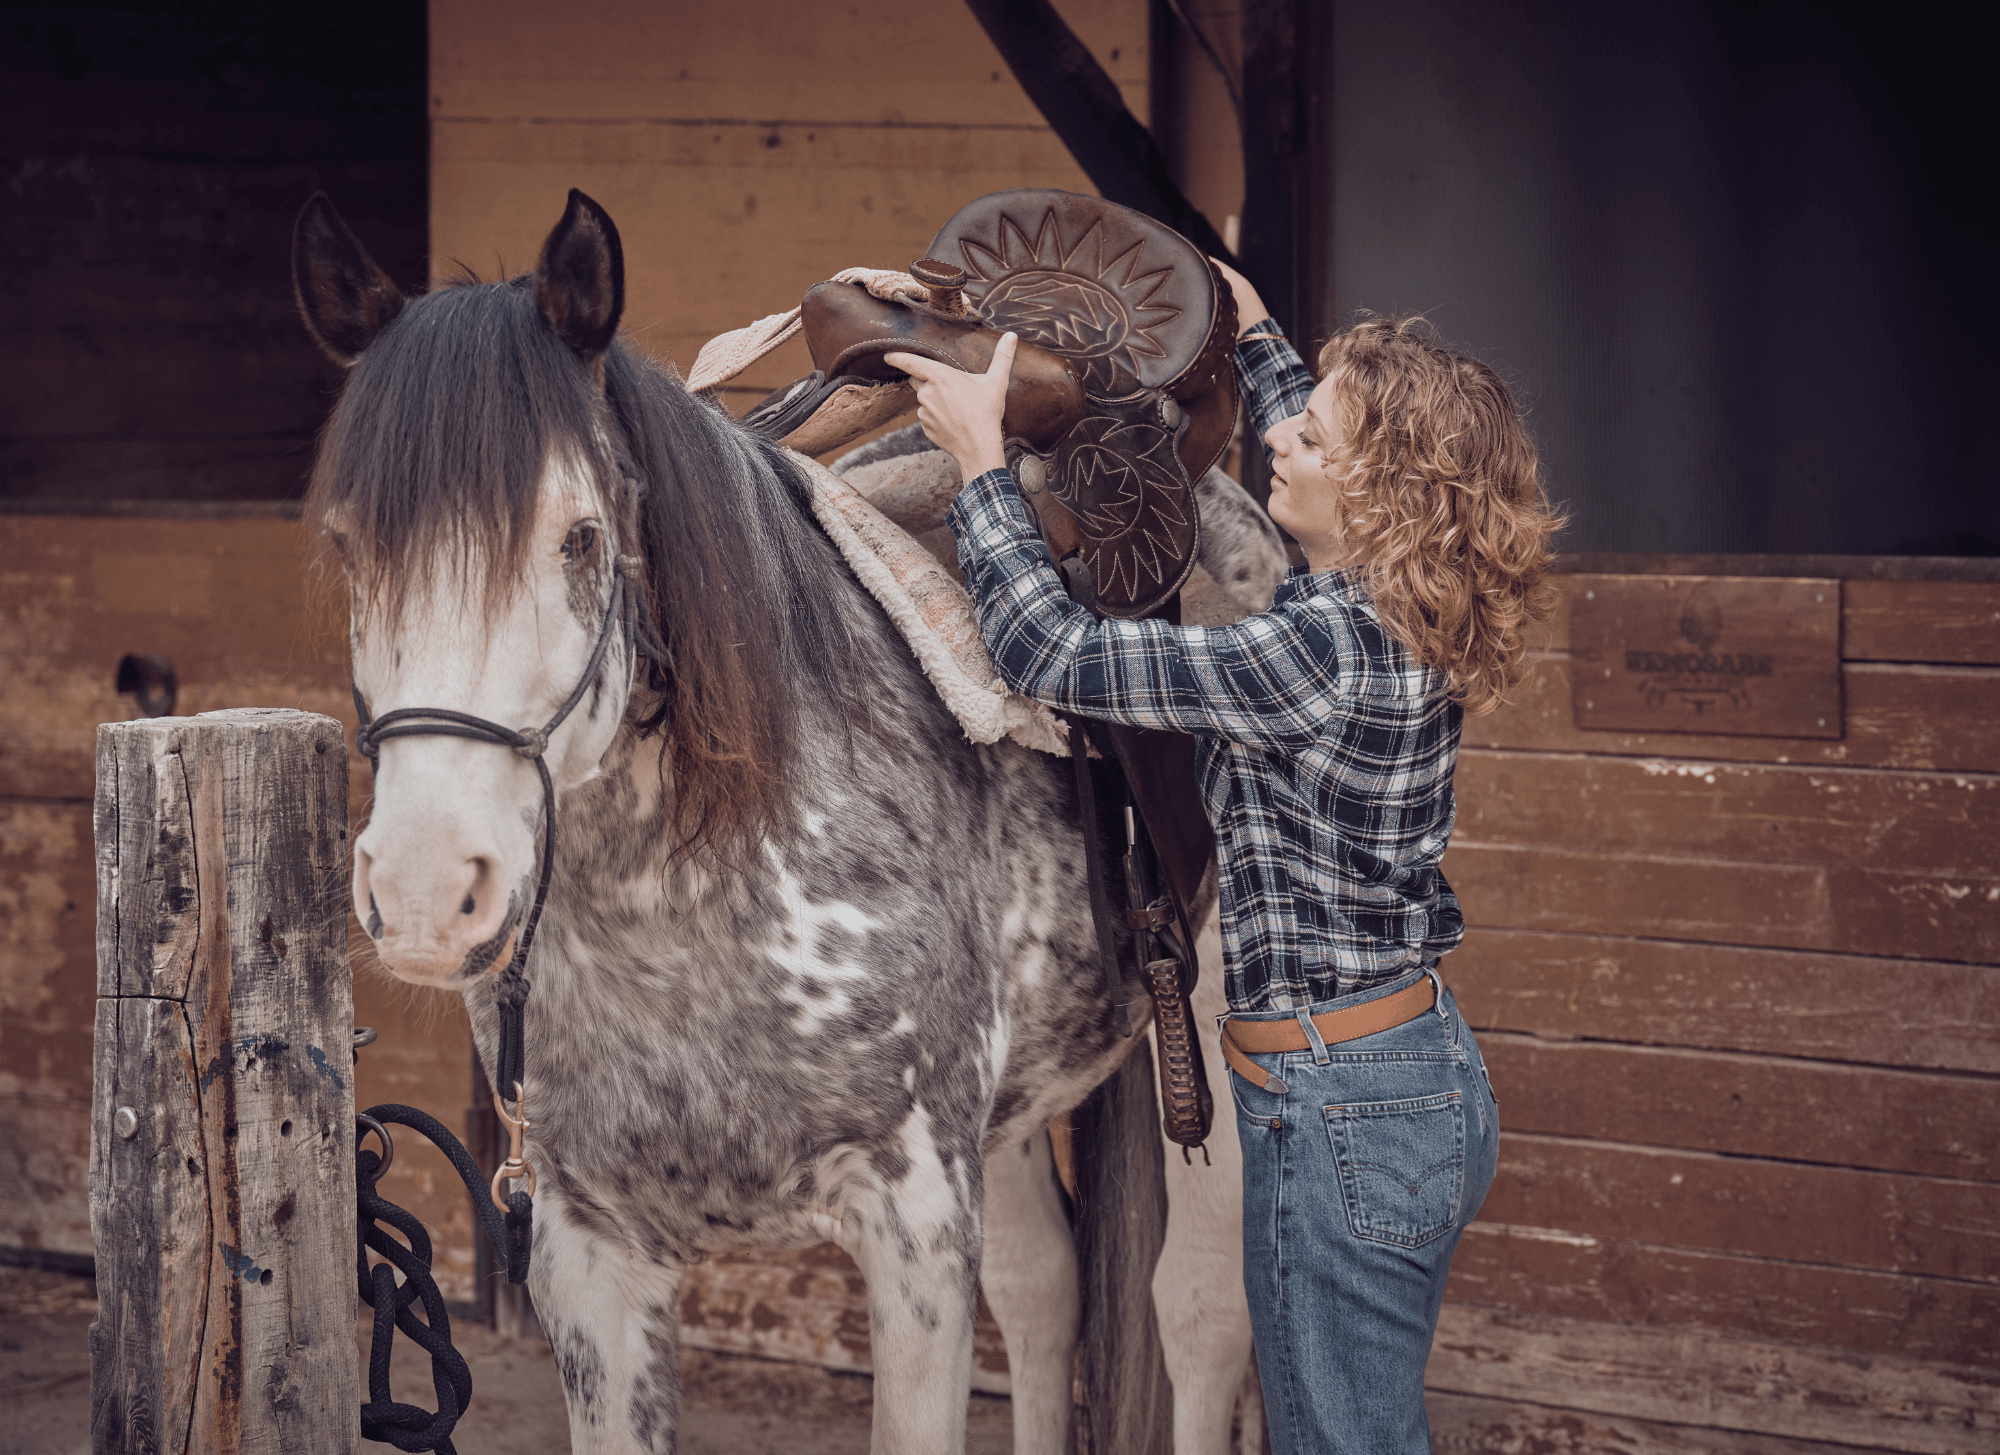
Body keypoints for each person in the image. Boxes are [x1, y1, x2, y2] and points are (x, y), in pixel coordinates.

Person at [884, 262, 1560, 1454]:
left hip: (1338, 1103)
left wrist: (983, 466)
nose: (1280, 438)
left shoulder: (1313, 653)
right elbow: (1329, 438)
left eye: (1311, 432)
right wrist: (1249, 331)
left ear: (1381, 488)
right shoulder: (1396, 599)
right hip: (1395, 1077)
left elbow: (1052, 652)